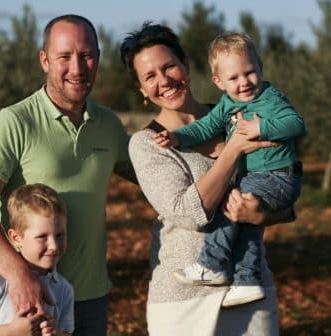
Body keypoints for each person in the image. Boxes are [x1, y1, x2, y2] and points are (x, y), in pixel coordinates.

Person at [0, 14, 135, 336]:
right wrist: (17, 274)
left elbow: (158, 174)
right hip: (30, 299)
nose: (77, 69)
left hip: (92, 300)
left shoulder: (109, 126)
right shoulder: (14, 122)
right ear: (44, 60)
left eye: (87, 56)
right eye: (64, 57)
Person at [120, 22, 294, 335]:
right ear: (142, 90)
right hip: (181, 301)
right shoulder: (147, 144)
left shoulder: (238, 113)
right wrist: (235, 149)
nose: (164, 80)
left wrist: (263, 214)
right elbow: (188, 213)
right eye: (150, 76)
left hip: (249, 286)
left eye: (169, 66)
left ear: (185, 63)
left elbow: (283, 186)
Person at [155, 32, 305, 306]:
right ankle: (247, 281)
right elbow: (205, 127)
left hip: (278, 176)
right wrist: (177, 138)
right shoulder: (228, 105)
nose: (244, 82)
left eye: (249, 72)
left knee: (228, 205)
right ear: (218, 82)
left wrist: (263, 127)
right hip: (260, 177)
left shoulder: (270, 98)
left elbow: (296, 123)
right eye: (234, 78)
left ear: (260, 67)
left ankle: (211, 265)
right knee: (245, 224)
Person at [0, 183, 74, 336]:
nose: (54, 246)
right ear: (16, 238)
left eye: (60, 235)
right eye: (42, 237)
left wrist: (56, 333)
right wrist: (11, 332)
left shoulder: (64, 290)